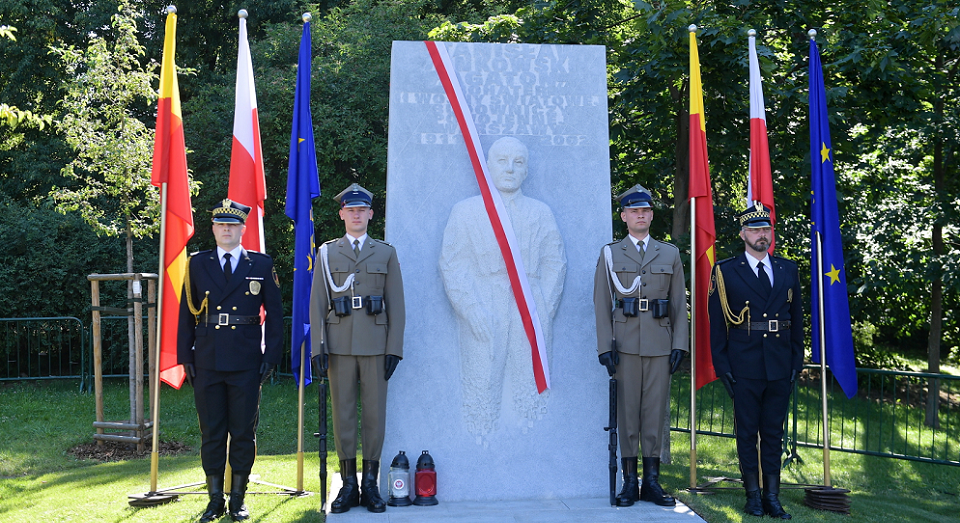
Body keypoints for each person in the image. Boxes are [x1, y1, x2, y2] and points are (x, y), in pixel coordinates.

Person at [439, 136, 566, 439]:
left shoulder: (540, 213)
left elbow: (555, 263)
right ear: (487, 166)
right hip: (484, 304)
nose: (510, 168)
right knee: (481, 385)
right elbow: (452, 265)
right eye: (502, 161)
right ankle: (480, 446)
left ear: (526, 170)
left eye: (518, 162)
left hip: (529, 308)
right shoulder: (466, 211)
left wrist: (543, 309)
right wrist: (470, 310)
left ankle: (532, 446)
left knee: (530, 389)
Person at [177, 199, 284, 522]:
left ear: (242, 229)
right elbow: (186, 314)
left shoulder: (261, 265)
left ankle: (238, 498)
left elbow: (276, 317)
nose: (227, 230)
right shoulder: (197, 264)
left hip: (246, 360)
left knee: (242, 432)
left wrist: (271, 356)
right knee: (211, 432)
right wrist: (185, 356)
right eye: (221, 225)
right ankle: (214, 500)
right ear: (213, 229)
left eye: (233, 225)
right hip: (207, 359)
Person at [310, 183, 405, 513]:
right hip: (338, 345)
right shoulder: (327, 253)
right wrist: (317, 348)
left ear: (370, 214)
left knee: (375, 416)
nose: (356, 215)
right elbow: (317, 303)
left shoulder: (386, 253)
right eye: (350, 210)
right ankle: (349, 484)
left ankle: (370, 485)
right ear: (342, 215)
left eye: (361, 210)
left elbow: (397, 305)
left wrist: (394, 348)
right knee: (344, 414)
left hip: (376, 346)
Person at [593, 184, 687, 507]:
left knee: (654, 412)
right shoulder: (611, 254)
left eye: (646, 210)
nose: (641, 215)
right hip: (626, 344)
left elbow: (678, 304)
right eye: (635, 211)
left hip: (660, 343)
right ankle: (629, 482)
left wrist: (680, 344)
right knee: (628, 412)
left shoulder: (670, 254)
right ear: (624, 216)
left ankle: (652, 481)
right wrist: (605, 345)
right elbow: (602, 301)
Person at [708, 202, 803, 519]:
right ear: (743, 234)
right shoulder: (725, 271)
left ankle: (772, 497)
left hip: (779, 362)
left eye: (766, 229)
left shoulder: (789, 270)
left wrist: (796, 363)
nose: (762, 234)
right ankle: (752, 496)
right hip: (744, 364)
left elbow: (797, 319)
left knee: (774, 433)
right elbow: (717, 324)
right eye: (755, 229)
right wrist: (722, 367)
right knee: (747, 432)